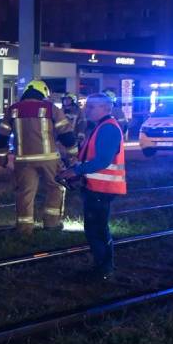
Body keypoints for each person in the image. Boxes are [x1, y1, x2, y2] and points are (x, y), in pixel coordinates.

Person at [57, 92, 125, 280]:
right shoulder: (100, 127)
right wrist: (75, 168)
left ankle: (103, 269)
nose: (87, 110)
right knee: (98, 228)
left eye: (92, 107)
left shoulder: (107, 129)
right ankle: (103, 266)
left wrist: (76, 172)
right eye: (87, 106)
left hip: (101, 189)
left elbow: (102, 161)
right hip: (96, 187)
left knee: (96, 229)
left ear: (106, 108)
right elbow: (90, 157)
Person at [0, 79, 78, 234]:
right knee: (55, 188)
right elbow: (66, 134)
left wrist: (2, 157)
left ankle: (24, 228)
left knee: (25, 193)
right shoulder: (51, 108)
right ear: (43, 93)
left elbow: (2, 136)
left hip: (23, 160)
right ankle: (52, 224)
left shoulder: (13, 110)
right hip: (49, 159)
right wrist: (73, 154)